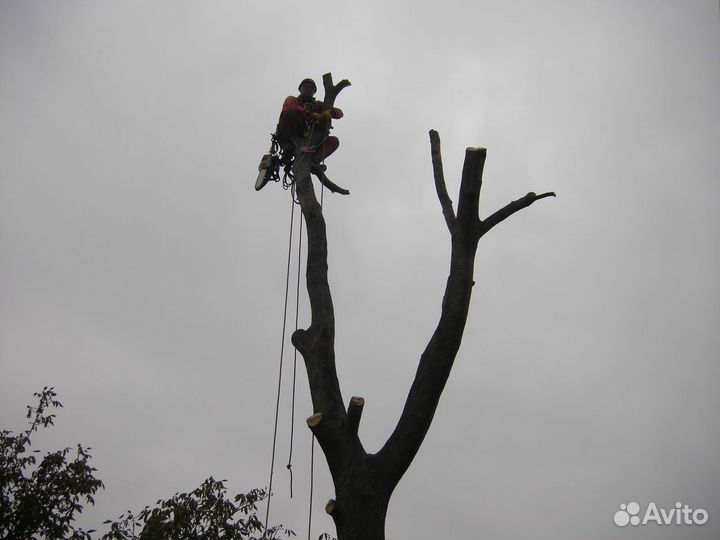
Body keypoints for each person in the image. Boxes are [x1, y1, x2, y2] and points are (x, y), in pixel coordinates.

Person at [276, 78, 344, 165]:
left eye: (312, 88)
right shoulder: (293, 100)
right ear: (300, 89)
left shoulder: (317, 105)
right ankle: (289, 146)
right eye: (306, 86)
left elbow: (340, 113)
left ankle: (314, 162)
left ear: (314, 92)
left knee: (334, 141)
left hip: (308, 141)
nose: (308, 89)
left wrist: (331, 112)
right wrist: (311, 114)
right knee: (288, 113)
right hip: (291, 134)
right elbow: (288, 106)